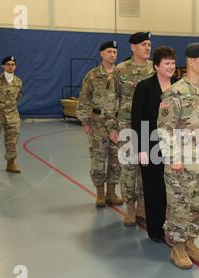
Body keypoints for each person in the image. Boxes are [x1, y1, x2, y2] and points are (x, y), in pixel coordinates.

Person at [157, 43, 199, 269]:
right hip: (181, 164)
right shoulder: (175, 92)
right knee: (179, 207)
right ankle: (178, 247)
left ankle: (191, 242)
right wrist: (174, 158)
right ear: (191, 61)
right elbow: (164, 129)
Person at [131, 46, 176, 242]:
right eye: (167, 63)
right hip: (150, 146)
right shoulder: (144, 87)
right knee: (153, 188)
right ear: (156, 66)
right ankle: (155, 229)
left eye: (173, 63)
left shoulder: (178, 88)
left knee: (171, 189)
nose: (171, 67)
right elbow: (137, 119)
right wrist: (141, 149)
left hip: (173, 148)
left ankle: (170, 226)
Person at [76, 40, 123, 207]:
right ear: (102, 54)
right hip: (97, 122)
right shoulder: (92, 75)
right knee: (98, 158)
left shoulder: (121, 75)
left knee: (116, 160)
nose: (112, 54)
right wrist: (84, 121)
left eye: (115, 52)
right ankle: (100, 194)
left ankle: (112, 193)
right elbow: (84, 98)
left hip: (116, 123)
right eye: (109, 51)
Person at [115, 32, 155, 226]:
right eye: (143, 44)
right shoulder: (120, 70)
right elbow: (111, 99)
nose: (148, 47)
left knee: (147, 169)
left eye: (149, 44)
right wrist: (110, 127)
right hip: (126, 127)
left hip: (148, 127)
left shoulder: (155, 70)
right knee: (129, 169)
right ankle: (130, 207)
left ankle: (143, 206)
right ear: (133, 47)